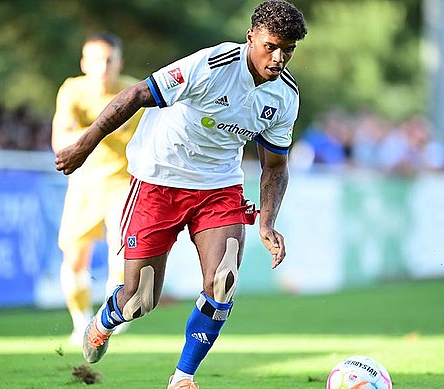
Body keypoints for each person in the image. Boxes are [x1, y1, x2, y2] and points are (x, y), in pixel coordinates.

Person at [55, 1, 307, 387]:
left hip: (218, 187)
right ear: (251, 37)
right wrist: (84, 145)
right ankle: (106, 319)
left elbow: (275, 165)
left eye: (287, 49)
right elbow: (137, 94)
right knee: (139, 300)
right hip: (158, 179)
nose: (279, 58)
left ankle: (183, 377)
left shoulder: (285, 97)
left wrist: (268, 222)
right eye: (271, 46)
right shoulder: (211, 65)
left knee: (223, 279)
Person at [51, 32, 144, 345]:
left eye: (109, 60)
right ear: (83, 63)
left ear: (120, 62)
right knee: (75, 259)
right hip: (84, 183)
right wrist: (99, 130)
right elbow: (60, 140)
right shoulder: (72, 90)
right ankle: (80, 325)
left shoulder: (136, 92)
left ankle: (108, 319)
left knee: (122, 257)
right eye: (96, 60)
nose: (103, 66)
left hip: (124, 184)